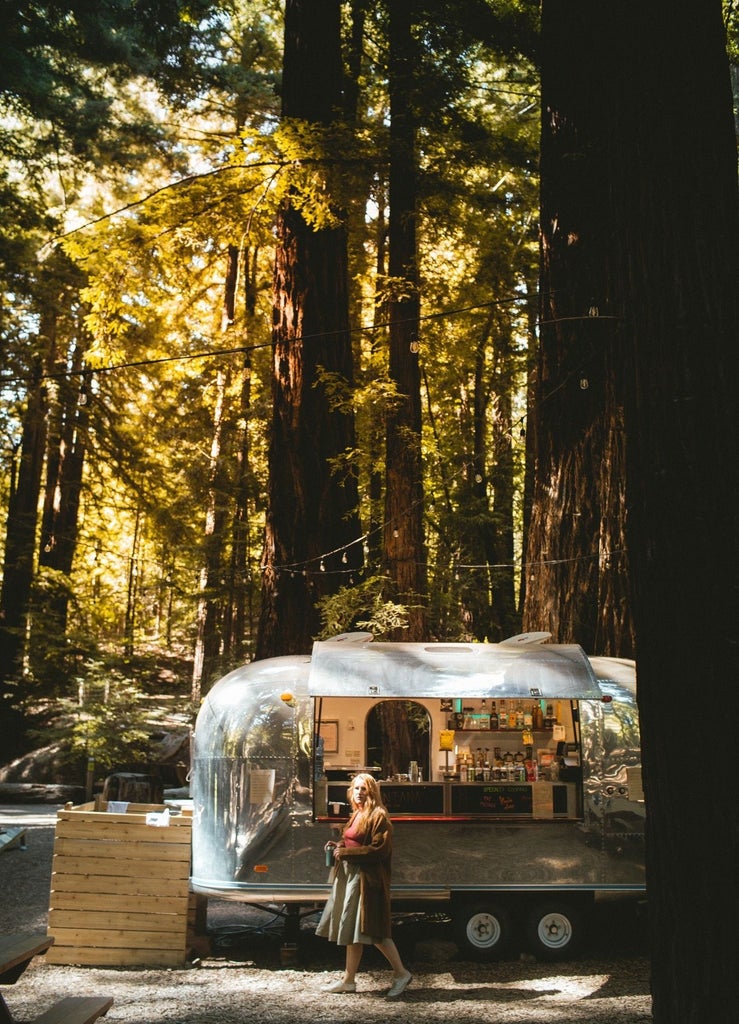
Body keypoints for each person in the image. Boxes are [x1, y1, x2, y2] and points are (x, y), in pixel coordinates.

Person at [316, 772, 413, 998]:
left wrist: (347, 853)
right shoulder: (357, 814)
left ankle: (401, 973)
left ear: (372, 792)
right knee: (352, 930)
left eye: (364, 789)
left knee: (374, 930)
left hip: (367, 879)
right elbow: (355, 840)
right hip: (351, 876)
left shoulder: (379, 815)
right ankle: (349, 981)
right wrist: (339, 844)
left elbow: (380, 850)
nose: (359, 793)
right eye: (356, 788)